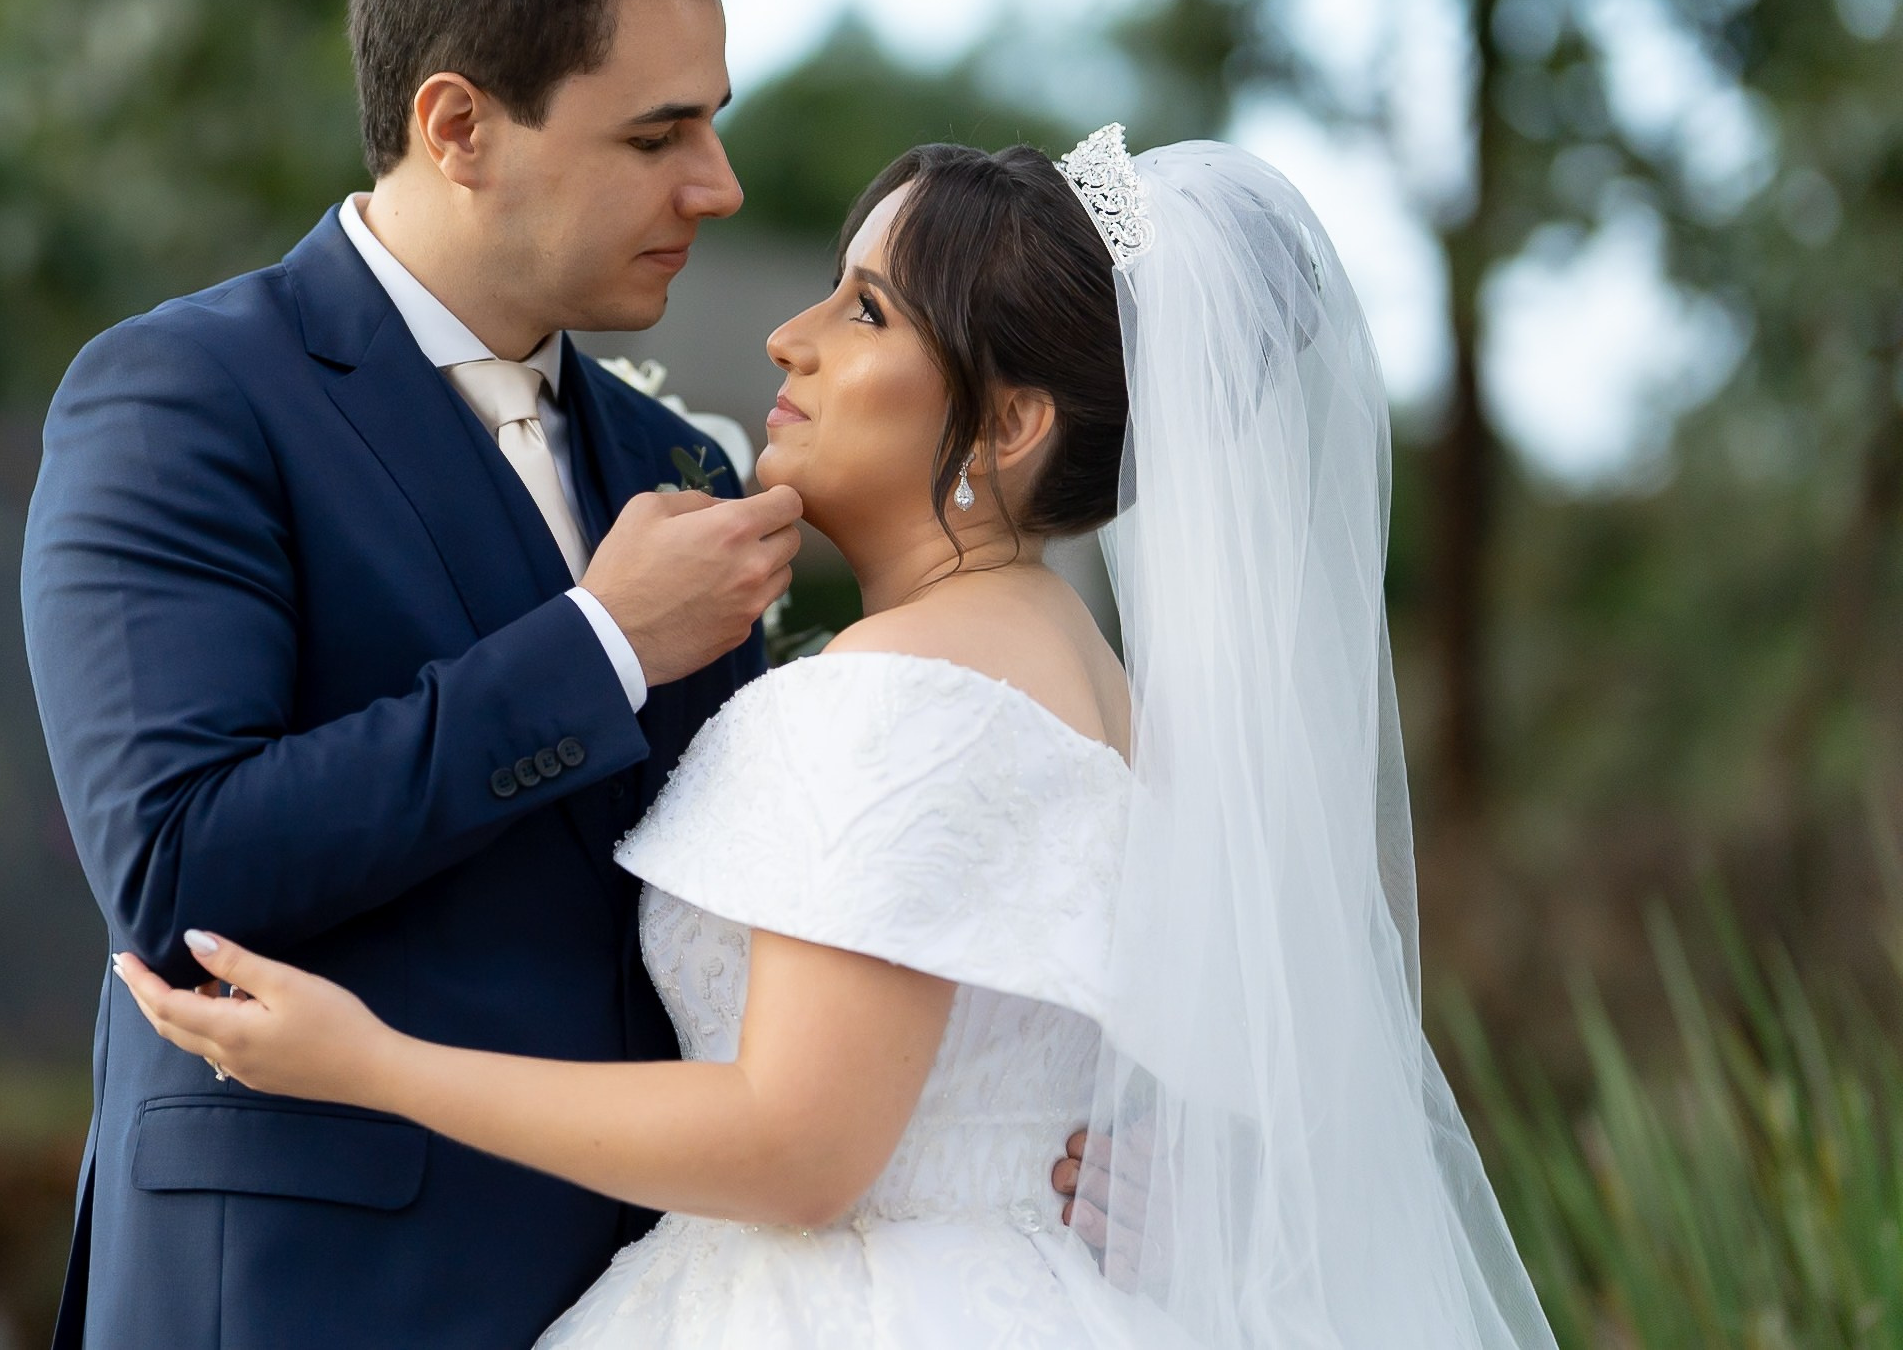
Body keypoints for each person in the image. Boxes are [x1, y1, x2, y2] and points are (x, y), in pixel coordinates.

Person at [116, 130, 1560, 1348]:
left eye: (865, 312)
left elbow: (802, 1149)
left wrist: (371, 1063)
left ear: (1006, 424)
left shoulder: (891, 699)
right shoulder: (1099, 687)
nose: (788, 339)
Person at [20, 0, 809, 1348]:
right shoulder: (181, 399)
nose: (714, 185)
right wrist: (598, 649)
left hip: (650, 1297)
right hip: (304, 1297)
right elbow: (180, 873)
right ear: (457, 125)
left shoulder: (680, 468)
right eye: (656, 137)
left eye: (710, 122)